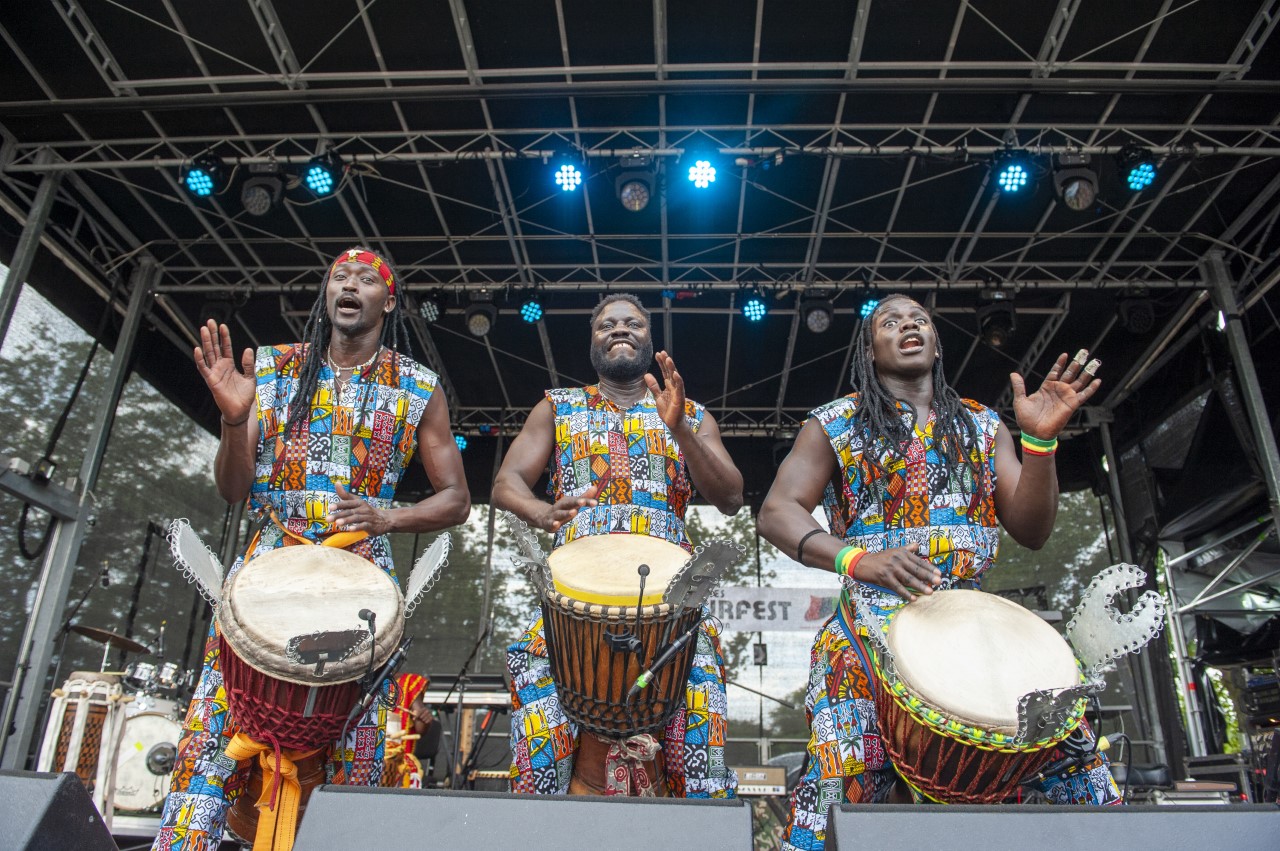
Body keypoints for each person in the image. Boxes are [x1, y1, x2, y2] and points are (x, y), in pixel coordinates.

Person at [757, 294, 1120, 850]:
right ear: (870, 350)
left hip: (975, 632)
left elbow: (1032, 529)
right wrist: (858, 560)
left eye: (919, 320)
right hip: (868, 635)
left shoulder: (981, 424)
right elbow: (777, 511)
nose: (908, 326)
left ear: (937, 343)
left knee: (1077, 766)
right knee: (839, 790)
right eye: (890, 322)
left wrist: (1041, 443)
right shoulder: (835, 423)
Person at [154, 247, 470, 850]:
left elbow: (456, 500)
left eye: (366, 279)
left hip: (361, 577)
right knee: (213, 734)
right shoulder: (274, 368)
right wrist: (233, 421)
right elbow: (232, 489)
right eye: (339, 277)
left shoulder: (416, 386)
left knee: (357, 751)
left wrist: (388, 517)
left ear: (388, 301)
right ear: (327, 295)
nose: (350, 285)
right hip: (269, 573)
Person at [492, 293, 744, 797]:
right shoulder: (557, 407)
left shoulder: (691, 414)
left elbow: (732, 497)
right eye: (607, 325)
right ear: (593, 341)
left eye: (633, 323)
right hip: (572, 598)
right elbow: (506, 483)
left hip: (671, 603)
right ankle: (538, 821)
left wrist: (680, 430)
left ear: (650, 339)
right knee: (537, 694)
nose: (620, 329)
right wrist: (541, 512)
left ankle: (701, 820)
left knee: (701, 711)